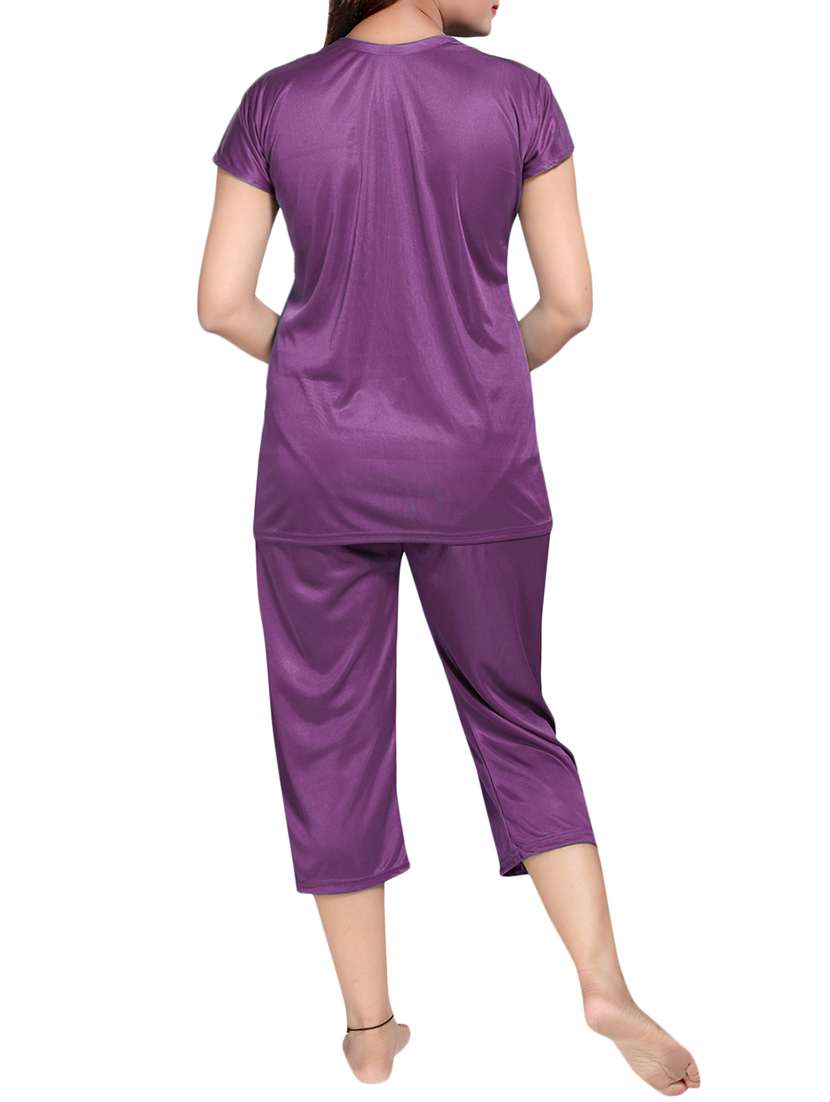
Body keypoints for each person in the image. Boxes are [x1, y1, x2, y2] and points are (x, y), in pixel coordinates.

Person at [198, 0, 701, 1092]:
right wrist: (471, 380)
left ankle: (369, 1032)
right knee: (514, 715)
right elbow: (568, 306)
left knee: (328, 736)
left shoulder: (276, 101)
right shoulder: (517, 97)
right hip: (480, 463)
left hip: (319, 469)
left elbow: (221, 305)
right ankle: (602, 984)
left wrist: (334, 373)